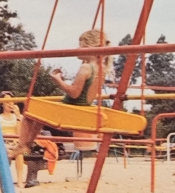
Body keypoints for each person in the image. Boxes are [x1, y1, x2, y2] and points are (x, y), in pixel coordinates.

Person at [8, 29, 110, 158]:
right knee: (37, 114)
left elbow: (74, 93)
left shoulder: (86, 68)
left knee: (29, 106)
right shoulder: (101, 69)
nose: (77, 49)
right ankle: (26, 145)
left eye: (81, 46)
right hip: (81, 109)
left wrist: (58, 80)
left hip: (70, 111)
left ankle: (23, 145)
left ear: (90, 48)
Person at [0, 91, 25, 188]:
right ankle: (6, 180)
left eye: (12, 101)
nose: (10, 104)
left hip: (16, 143)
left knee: (20, 153)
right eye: (7, 102)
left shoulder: (19, 117)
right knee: (8, 153)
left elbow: (19, 133)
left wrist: (18, 116)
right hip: (4, 143)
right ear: (2, 103)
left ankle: (20, 181)